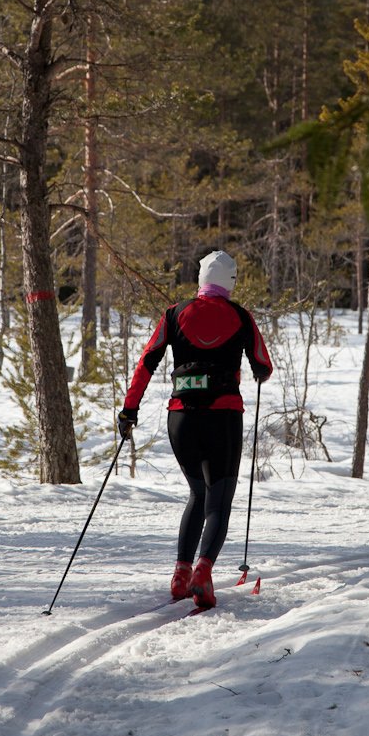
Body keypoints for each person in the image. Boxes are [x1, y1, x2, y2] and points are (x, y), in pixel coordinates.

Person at [118, 250, 273, 610]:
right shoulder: (241, 316)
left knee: (196, 495)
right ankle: (203, 573)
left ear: (200, 280)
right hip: (223, 418)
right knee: (219, 498)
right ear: (231, 281)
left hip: (181, 419)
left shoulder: (174, 314)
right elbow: (263, 364)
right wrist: (255, 370)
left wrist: (129, 410)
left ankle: (180, 574)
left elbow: (146, 362)